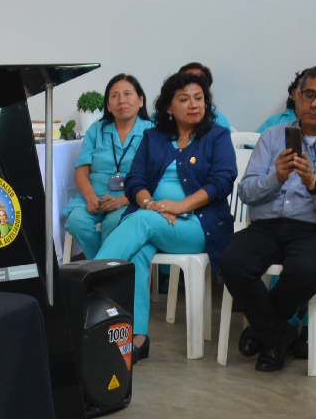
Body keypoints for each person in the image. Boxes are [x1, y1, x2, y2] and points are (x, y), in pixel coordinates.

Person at [221, 65, 316, 371]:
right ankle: (278, 333)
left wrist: (315, 184)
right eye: (309, 94)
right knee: (232, 261)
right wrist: (276, 177)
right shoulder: (271, 138)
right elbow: (245, 192)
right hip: (267, 225)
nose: (314, 104)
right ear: (298, 96)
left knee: (307, 270)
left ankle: (265, 331)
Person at [95, 71, 236, 361]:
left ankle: (88, 284)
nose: (194, 104)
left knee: (140, 223)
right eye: (184, 99)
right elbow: (135, 180)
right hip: (155, 219)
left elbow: (222, 181)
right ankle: (137, 338)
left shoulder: (217, 136)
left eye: (199, 98)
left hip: (198, 226)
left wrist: (179, 206)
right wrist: (151, 204)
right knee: (134, 256)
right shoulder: (154, 137)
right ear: (169, 107)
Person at [63, 74, 154, 258]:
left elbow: (155, 177)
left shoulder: (152, 132)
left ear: (141, 100)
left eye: (128, 94)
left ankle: (99, 273)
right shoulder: (96, 130)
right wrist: (90, 198)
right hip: (94, 196)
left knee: (115, 223)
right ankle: (104, 271)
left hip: (131, 197)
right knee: (76, 221)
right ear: (108, 106)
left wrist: (122, 200)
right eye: (115, 96)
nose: (122, 100)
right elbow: (81, 172)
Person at [178, 62, 232, 131]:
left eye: (200, 81)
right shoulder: (163, 115)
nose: (194, 85)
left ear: (208, 88)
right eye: (188, 81)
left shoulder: (219, 121)